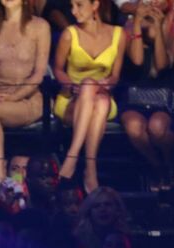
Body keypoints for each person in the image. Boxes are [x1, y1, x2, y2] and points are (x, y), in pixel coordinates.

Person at [0, 0, 51, 186]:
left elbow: (39, 74)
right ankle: (7, 166)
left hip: (28, 98)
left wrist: (13, 97)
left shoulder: (40, 26)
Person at [53, 0, 127, 192]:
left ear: (95, 5)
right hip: (72, 99)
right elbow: (58, 70)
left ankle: (72, 156)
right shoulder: (70, 34)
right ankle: (90, 169)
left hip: (102, 96)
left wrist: (106, 83)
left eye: (79, 5)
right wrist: (70, 83)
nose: (73, 11)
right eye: (71, 6)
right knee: (91, 88)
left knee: (99, 98)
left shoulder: (119, 34)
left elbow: (115, 76)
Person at [120, 0, 174, 191]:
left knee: (157, 128)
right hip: (134, 95)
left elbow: (160, 67)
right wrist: (137, 23)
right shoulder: (127, 28)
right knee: (134, 128)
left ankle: (172, 165)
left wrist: (158, 30)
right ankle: (159, 168)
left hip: (163, 96)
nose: (155, 2)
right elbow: (137, 60)